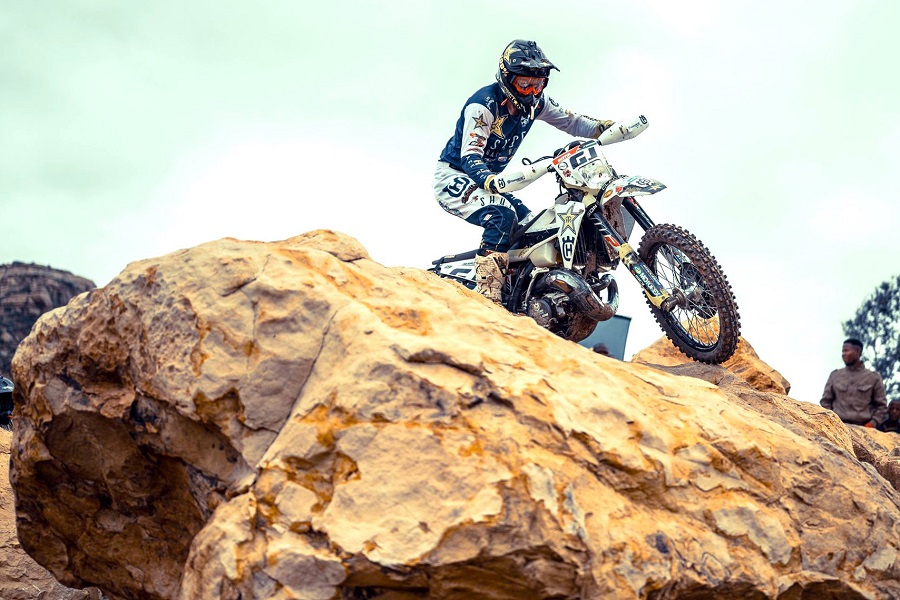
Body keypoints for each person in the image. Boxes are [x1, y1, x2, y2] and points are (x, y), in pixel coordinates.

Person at [434, 39, 615, 304]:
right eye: (524, 84)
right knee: (502, 216)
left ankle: (519, 291)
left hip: (490, 182)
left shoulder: (537, 104)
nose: (531, 91)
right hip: (455, 175)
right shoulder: (483, 105)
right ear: (507, 79)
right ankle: (488, 296)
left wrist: (605, 128)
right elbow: (470, 156)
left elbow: (572, 122)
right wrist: (490, 180)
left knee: (533, 226)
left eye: (538, 84)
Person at [820, 338, 888, 428]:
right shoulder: (835, 375)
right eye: (842, 351)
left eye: (846, 351)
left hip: (864, 428)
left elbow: (882, 406)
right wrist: (831, 421)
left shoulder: (873, 377)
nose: (843, 354)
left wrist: (872, 424)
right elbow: (825, 401)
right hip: (837, 426)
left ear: (857, 352)